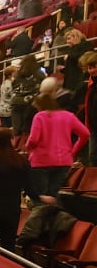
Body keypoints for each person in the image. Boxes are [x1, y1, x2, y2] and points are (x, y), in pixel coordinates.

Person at [26, 77, 90, 207]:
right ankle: (54, 223)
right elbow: (85, 134)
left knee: (40, 198)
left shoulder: (40, 116)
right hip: (64, 162)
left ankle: (40, 225)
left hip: (41, 161)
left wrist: (28, 148)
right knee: (53, 196)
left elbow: (33, 139)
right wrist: (73, 151)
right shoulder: (68, 116)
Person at [10, 55, 44, 136]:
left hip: (16, 102)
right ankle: (25, 145)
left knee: (16, 128)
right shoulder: (38, 74)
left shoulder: (17, 74)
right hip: (30, 103)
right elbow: (44, 86)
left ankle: (16, 145)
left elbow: (13, 85)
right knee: (28, 127)